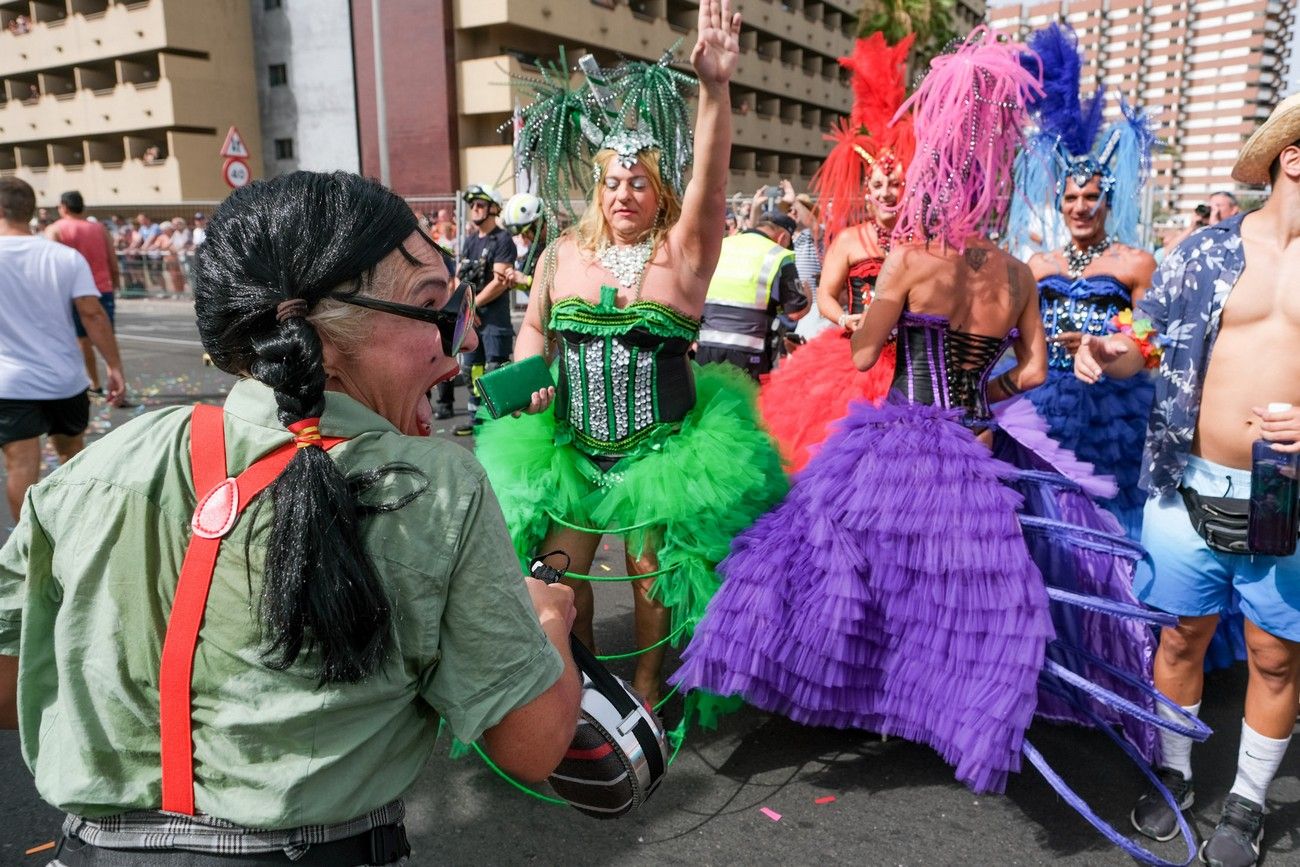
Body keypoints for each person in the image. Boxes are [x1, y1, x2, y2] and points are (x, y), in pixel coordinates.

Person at [674, 30, 1201, 861]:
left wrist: (880, 325)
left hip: (893, 441)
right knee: (965, 603)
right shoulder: (1020, 275)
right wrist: (989, 384)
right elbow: (1028, 373)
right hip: (973, 445)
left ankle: (860, 702)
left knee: (836, 569)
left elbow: (858, 353)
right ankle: (943, 717)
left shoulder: (909, 260)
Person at [0, 171, 581, 865]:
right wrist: (548, 619)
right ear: (323, 336)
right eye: (437, 309)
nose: (455, 350)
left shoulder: (104, 462)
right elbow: (533, 745)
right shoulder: (433, 485)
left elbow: (10, 688)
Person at [476, 0, 786, 705]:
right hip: (574, 447)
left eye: (638, 181)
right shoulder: (562, 253)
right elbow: (534, 329)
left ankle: (646, 685)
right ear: (597, 187)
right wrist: (527, 376)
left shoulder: (684, 254)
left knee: (652, 580)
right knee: (556, 576)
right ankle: (580, 678)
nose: (622, 193)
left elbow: (712, 179)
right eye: (612, 181)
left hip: (661, 452)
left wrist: (714, 88)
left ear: (659, 191)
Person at [1075, 94, 1300, 867]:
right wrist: (1110, 353)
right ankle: (1173, 771)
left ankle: (1246, 799)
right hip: (1185, 479)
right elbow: (1145, 342)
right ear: (1293, 157)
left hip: (1287, 491)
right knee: (1180, 634)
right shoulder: (1203, 251)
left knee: (1275, 655)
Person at [1006, 23, 1158, 538]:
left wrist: (1110, 346)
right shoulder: (1039, 265)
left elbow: (1150, 339)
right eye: (1070, 198)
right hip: (1044, 393)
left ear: (1107, 201)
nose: (1080, 207)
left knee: (1107, 511)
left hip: (1112, 403)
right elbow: (1015, 332)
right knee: (1042, 506)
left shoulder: (1134, 263)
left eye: (1091, 197)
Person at [758, 31, 915, 472]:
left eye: (896, 184)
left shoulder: (920, 243)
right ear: (867, 191)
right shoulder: (849, 240)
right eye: (879, 185)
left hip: (910, 364)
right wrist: (843, 317)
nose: (887, 192)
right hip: (851, 360)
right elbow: (824, 294)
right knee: (837, 464)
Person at [0, 179, 125, 526]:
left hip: (9, 385)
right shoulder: (64, 257)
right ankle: (74, 534)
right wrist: (115, 367)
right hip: (64, 380)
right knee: (71, 456)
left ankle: (26, 552)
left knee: (21, 467)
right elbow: (92, 314)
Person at [436, 183, 515, 435]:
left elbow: (500, 281)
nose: (475, 209)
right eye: (472, 205)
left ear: (493, 208)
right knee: (472, 371)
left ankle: (498, 424)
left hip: (494, 322)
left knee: (494, 370)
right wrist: (467, 307)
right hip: (472, 317)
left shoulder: (503, 240)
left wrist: (473, 305)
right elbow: (459, 277)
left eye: (480, 205)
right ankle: (476, 418)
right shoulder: (470, 241)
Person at [695, 211, 808, 379]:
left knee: (710, 403)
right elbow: (795, 311)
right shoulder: (779, 255)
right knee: (747, 403)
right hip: (749, 353)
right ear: (783, 238)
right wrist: (808, 296)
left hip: (707, 346)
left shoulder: (721, 245)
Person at [45, 191, 124, 402]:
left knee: (83, 341)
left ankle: (95, 384)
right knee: (107, 337)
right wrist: (114, 285)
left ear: (63, 207)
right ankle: (116, 384)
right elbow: (113, 262)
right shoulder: (99, 228)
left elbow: (53, 265)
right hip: (102, 289)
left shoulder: (55, 230)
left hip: (73, 293)